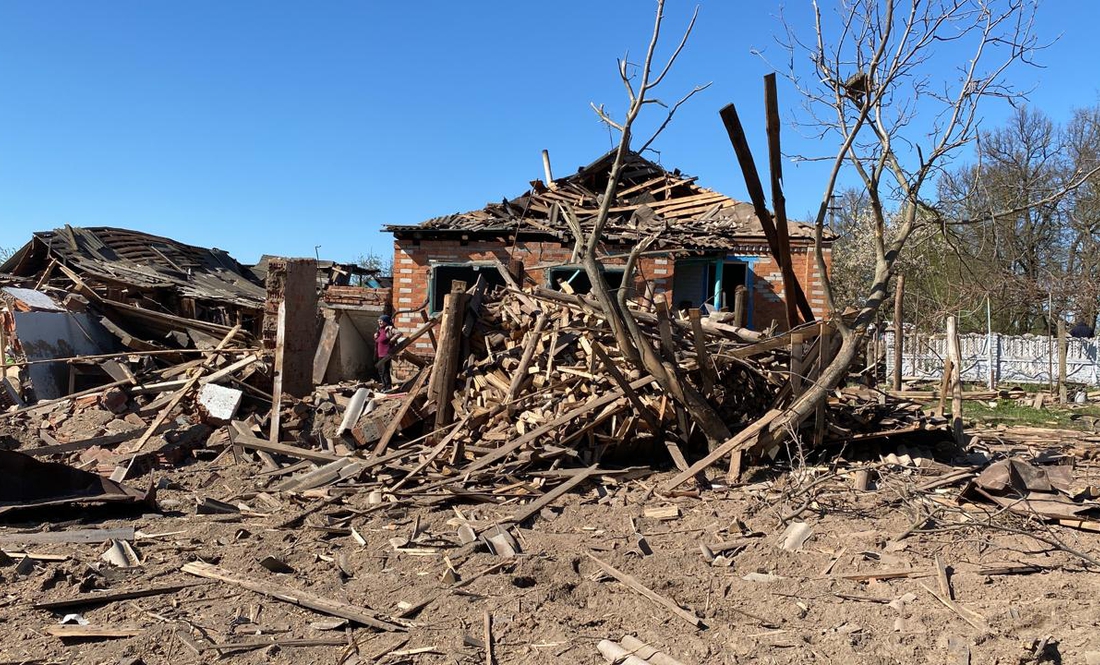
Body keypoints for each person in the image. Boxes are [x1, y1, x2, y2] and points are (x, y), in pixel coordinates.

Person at [374, 314, 397, 390]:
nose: (379, 322)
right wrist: (375, 337)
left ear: (386, 321)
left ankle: (388, 387)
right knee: (380, 371)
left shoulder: (389, 329)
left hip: (386, 354)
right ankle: (384, 386)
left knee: (385, 371)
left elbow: (399, 333)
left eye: (381, 321)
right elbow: (378, 341)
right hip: (379, 354)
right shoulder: (379, 330)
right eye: (379, 321)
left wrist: (392, 340)